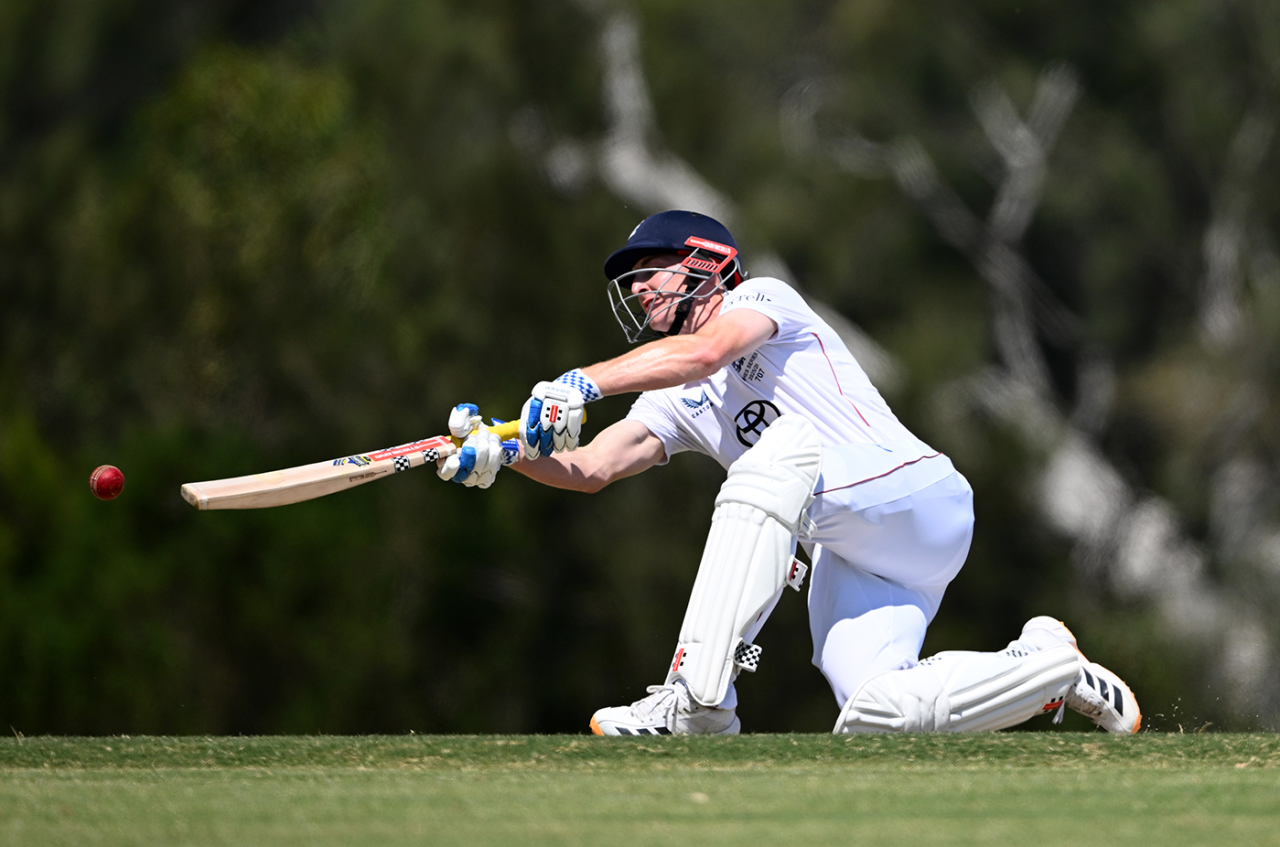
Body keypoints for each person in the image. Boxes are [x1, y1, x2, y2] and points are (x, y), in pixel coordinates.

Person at [438, 210, 1141, 736]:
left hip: (914, 498)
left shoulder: (760, 300)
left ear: (704, 262)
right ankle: (1046, 664)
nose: (641, 288)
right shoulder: (674, 396)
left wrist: (582, 381)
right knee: (875, 713)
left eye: (651, 267)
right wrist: (512, 456)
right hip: (855, 549)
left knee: (776, 456)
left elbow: (706, 354)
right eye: (635, 279)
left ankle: (696, 702)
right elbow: (594, 465)